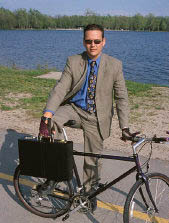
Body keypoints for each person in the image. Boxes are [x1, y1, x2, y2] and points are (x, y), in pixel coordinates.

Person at [39, 24, 131, 209]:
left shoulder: (115, 65)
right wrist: (47, 115)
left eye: (97, 41)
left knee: (92, 159)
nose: (93, 45)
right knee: (53, 121)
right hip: (75, 109)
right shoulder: (73, 61)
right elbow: (61, 88)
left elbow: (122, 97)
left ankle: (89, 193)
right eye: (88, 41)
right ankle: (55, 175)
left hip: (96, 117)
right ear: (83, 42)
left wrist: (125, 127)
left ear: (104, 42)